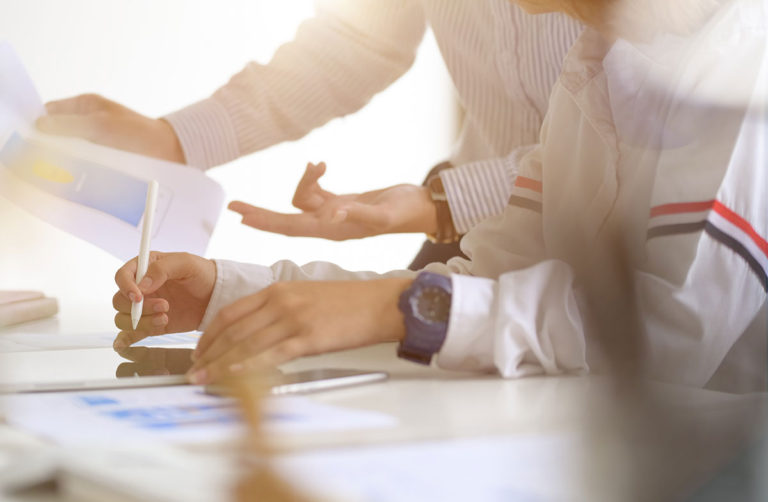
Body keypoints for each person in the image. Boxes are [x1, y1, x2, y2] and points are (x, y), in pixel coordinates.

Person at [113, 0, 767, 393]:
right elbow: (487, 284)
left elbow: (668, 341)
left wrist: (405, 304)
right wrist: (238, 294)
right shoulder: (596, 68)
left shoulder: (741, 64)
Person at [37, 0, 582, 268]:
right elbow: (359, 41)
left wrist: (442, 203)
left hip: (627, 241)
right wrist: (176, 139)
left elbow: (633, 140)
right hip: (469, 229)